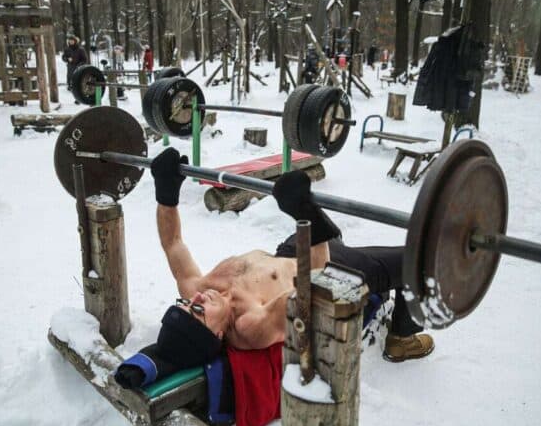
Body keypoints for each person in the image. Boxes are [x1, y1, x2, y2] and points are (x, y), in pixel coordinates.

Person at [114, 148, 434, 390]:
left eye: (185, 304)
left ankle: (322, 228)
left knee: (330, 231)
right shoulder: (250, 325)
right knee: (417, 260)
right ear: (219, 334)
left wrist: (166, 192)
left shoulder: (200, 294)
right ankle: (402, 338)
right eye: (197, 312)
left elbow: (173, 244)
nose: (196, 299)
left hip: (291, 249)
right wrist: (307, 217)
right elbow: (315, 285)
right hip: (335, 271)